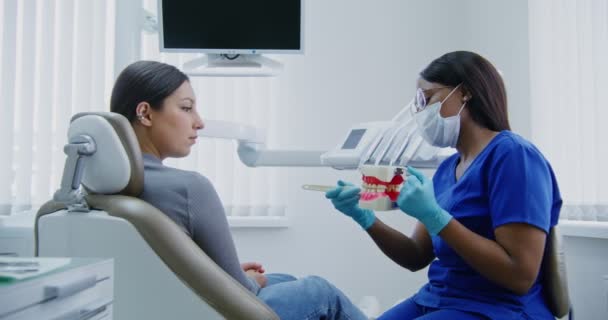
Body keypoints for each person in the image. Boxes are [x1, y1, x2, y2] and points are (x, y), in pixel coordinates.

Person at [110, 60, 369, 320]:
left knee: (286, 280)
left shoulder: (102, 187)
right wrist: (249, 280)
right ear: (145, 113)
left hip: (163, 307)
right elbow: (243, 290)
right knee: (319, 292)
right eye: (186, 108)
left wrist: (236, 274)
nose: (199, 122)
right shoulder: (189, 188)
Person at [325, 51, 561, 320]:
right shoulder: (448, 169)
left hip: (498, 308)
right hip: (438, 298)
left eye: (428, 99)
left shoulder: (514, 156)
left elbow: (520, 275)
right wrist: (365, 218)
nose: (422, 112)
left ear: (465, 93)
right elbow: (415, 256)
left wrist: (435, 216)